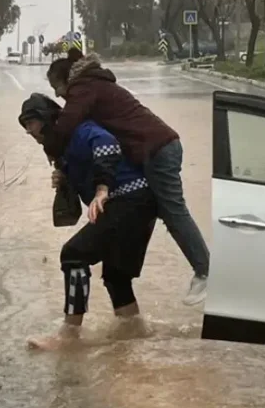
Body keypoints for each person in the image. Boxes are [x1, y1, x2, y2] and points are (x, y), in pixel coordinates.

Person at [44, 49, 209, 307]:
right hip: (159, 147)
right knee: (167, 211)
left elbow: (65, 126)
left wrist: (50, 147)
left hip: (157, 149)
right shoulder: (95, 83)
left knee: (173, 211)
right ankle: (203, 270)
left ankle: (205, 271)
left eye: (56, 87)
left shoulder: (84, 87)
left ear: (68, 80)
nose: (57, 95)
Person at [19, 93, 160, 351]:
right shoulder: (63, 146)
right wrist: (65, 179)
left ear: (47, 119)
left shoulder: (81, 131)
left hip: (130, 200)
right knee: (116, 275)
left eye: (30, 122)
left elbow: (108, 145)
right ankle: (135, 331)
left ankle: (69, 334)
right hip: (139, 203)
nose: (28, 131)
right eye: (24, 125)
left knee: (73, 254)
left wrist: (102, 188)